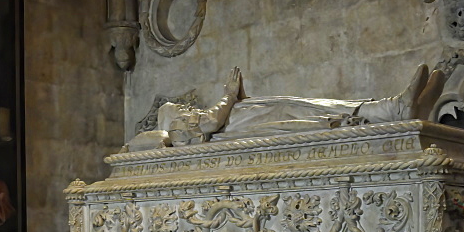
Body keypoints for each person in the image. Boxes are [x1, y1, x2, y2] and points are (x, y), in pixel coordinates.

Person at [127, 64, 446, 151]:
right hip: (244, 126)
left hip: (247, 115)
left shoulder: (184, 124)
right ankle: (394, 110)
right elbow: (211, 124)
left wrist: (238, 100)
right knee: (313, 113)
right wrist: (229, 94)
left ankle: (395, 108)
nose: (185, 108)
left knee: (311, 106)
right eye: (179, 108)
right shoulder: (179, 128)